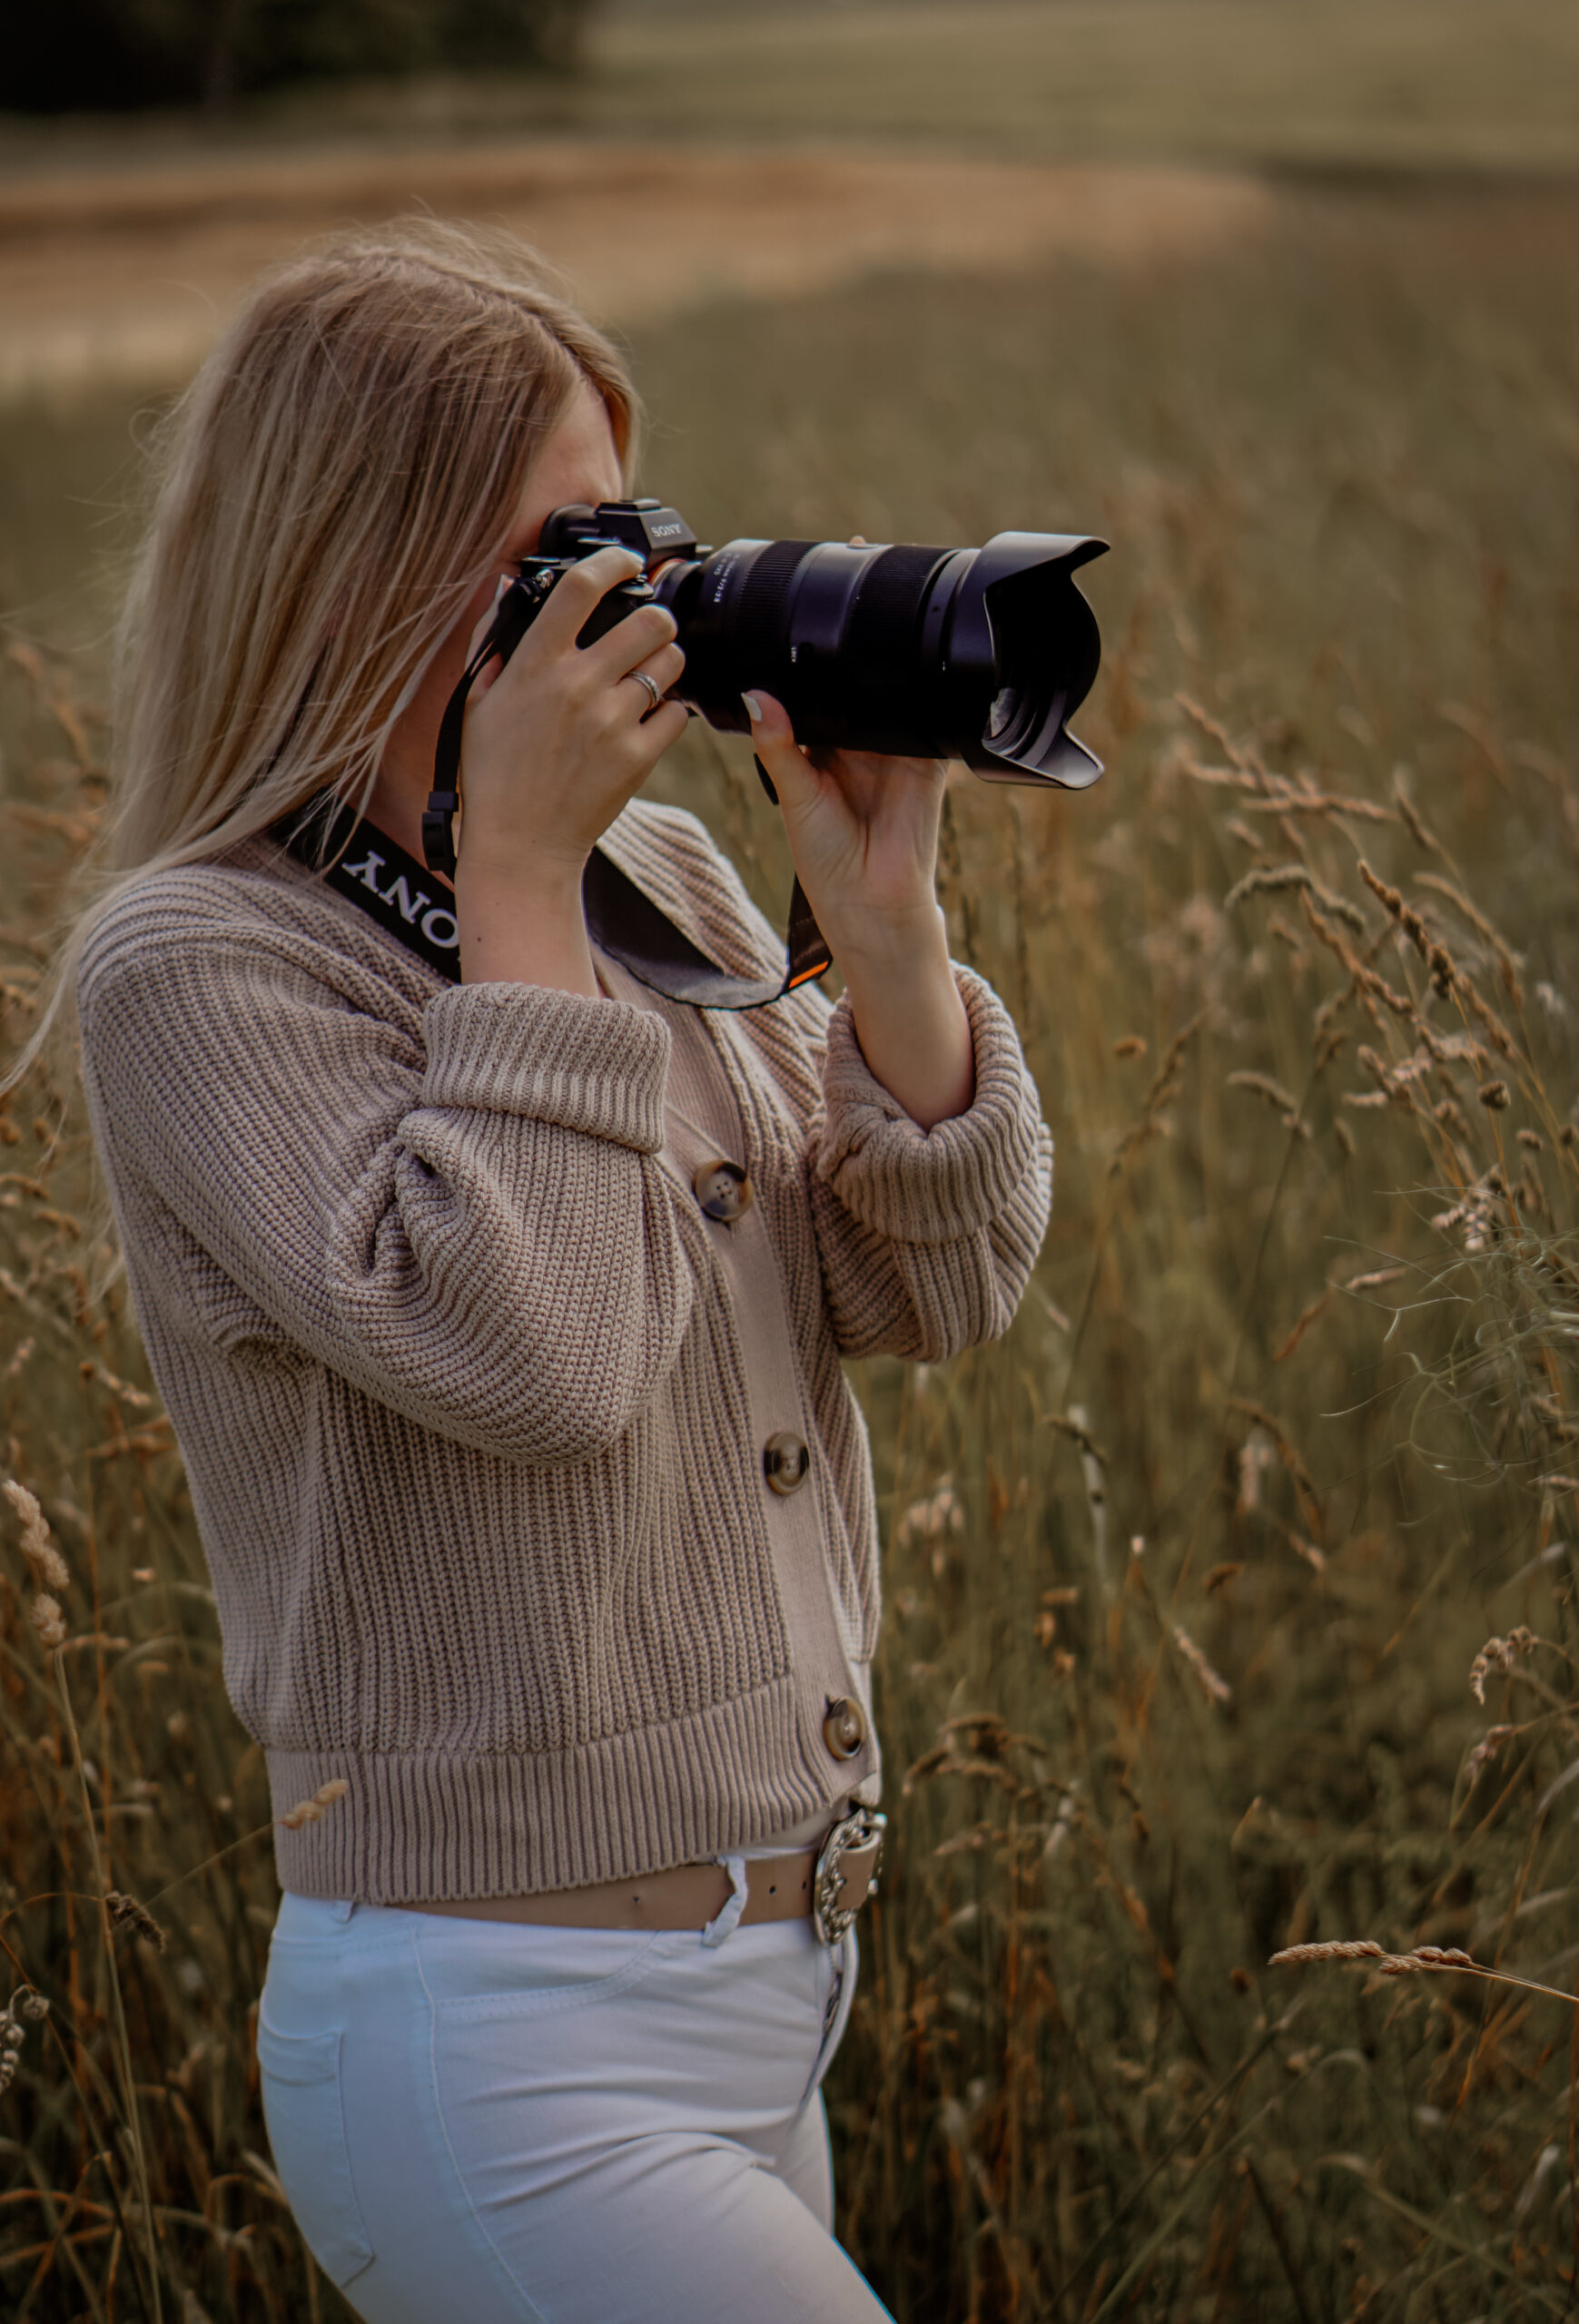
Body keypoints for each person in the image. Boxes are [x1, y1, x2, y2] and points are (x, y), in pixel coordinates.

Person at [64, 220, 1052, 2323]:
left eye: (635, 531)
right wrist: (512, 875)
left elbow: (928, 1296)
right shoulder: (204, 964)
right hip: (496, 2029)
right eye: (558, 555)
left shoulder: (662, 880)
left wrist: (886, 941)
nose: (635, 604)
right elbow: (543, 1352)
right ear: (359, 573)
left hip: (771, 1982)